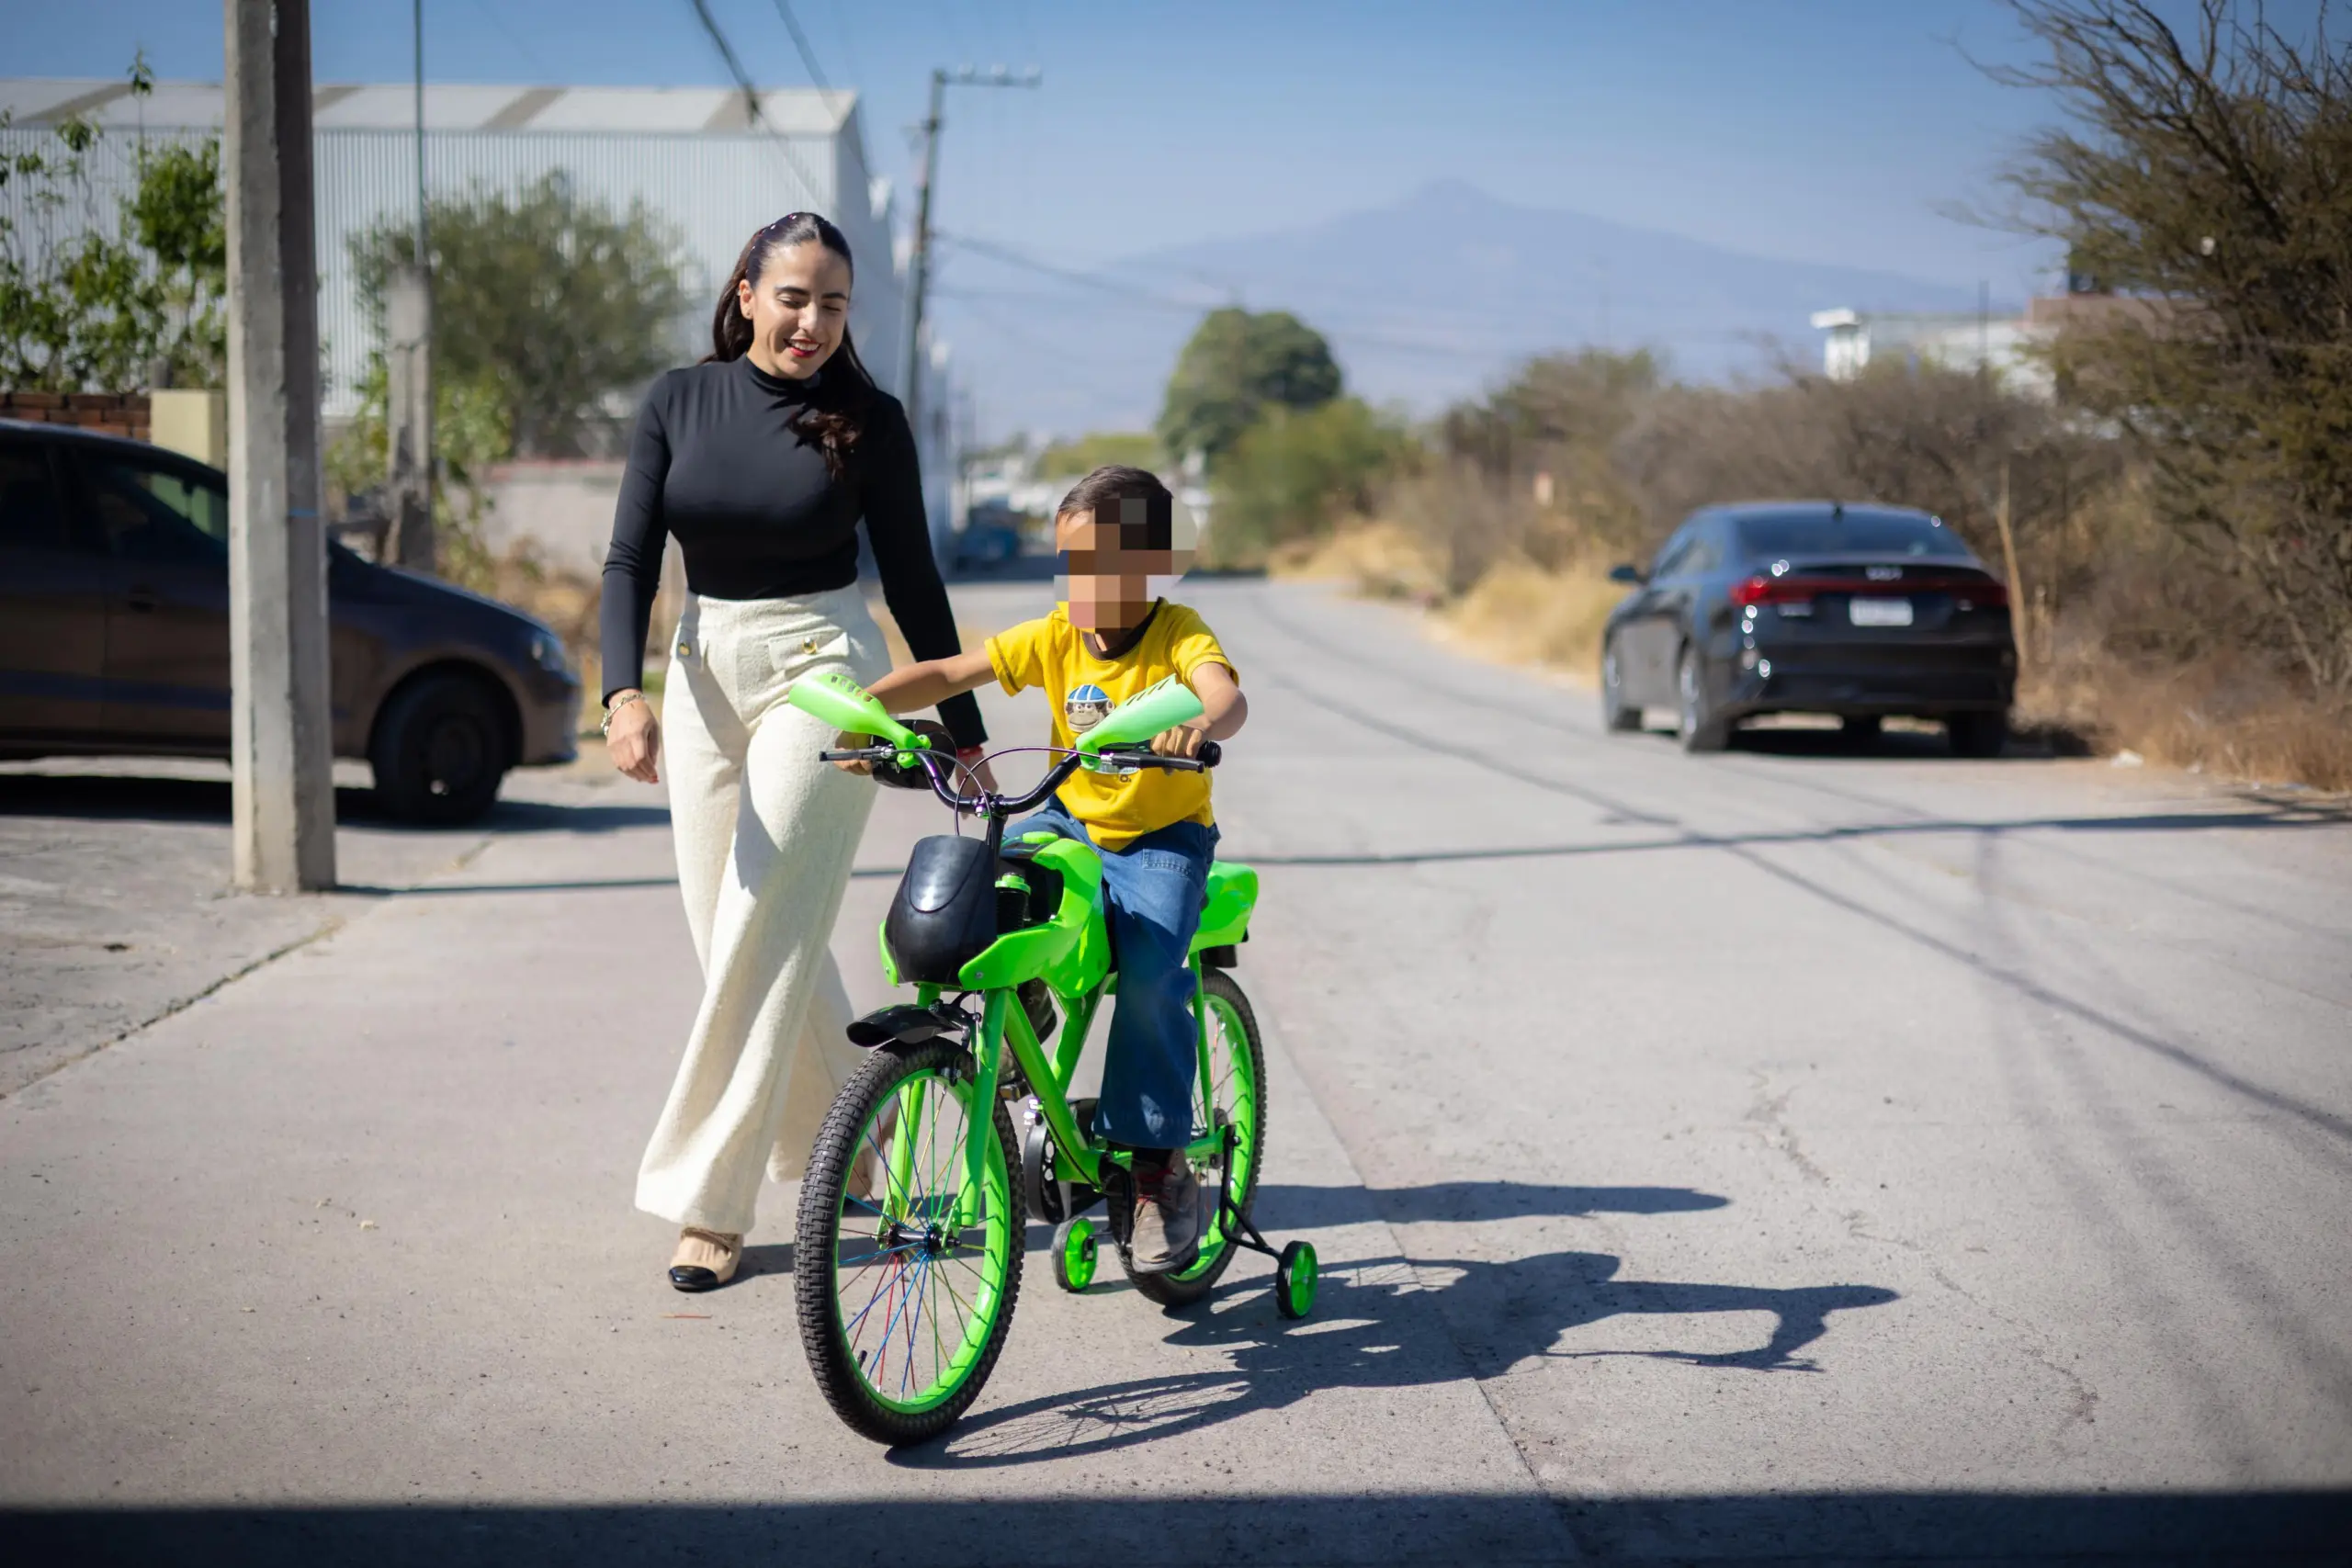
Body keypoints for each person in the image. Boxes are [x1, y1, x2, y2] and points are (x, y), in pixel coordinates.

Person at [599, 211, 990, 1292]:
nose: (812, 321)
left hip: (827, 666)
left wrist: (962, 738)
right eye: (793, 297)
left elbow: (914, 581)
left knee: (761, 927)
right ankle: (850, 1143)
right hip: (699, 669)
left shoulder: (871, 420)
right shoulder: (679, 401)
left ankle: (708, 1205)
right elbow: (629, 556)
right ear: (745, 295)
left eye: (833, 304)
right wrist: (620, 693)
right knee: (729, 927)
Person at [838, 465, 1248, 1273]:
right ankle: (1022, 1003)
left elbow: (1223, 693)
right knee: (989, 893)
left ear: (1151, 563)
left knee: (1150, 965)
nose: (1083, 581)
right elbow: (952, 673)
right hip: (1070, 818)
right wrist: (867, 711)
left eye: (1103, 563)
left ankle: (1156, 1166)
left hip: (1160, 837)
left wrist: (1199, 721)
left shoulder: (1177, 632)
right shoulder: (1059, 632)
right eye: (1072, 561)